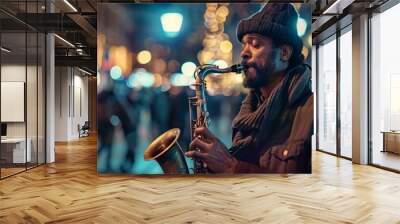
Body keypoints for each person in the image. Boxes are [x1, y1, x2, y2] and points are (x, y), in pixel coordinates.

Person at [185, 4, 313, 173]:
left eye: (255, 44)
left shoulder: (311, 111)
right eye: (244, 45)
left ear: (284, 53)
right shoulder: (249, 110)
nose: (244, 53)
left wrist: (231, 166)